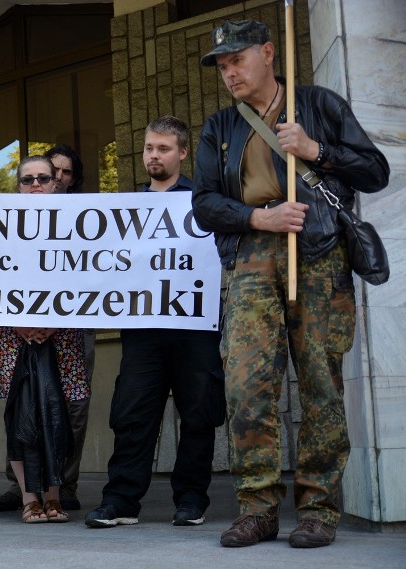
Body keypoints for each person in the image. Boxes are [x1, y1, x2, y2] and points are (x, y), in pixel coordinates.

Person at [193, 20, 389, 548]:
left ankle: (318, 509)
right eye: (222, 65)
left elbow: (375, 171)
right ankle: (257, 506)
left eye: (237, 60)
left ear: (268, 53)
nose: (229, 72)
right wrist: (259, 219)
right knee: (247, 386)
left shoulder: (319, 105)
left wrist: (316, 149)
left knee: (321, 385)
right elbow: (204, 204)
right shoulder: (219, 127)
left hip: (320, 255)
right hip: (251, 256)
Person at [85, 116, 225, 530]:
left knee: (199, 414)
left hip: (196, 329)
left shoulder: (205, 201)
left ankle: (191, 500)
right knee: (132, 414)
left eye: (163, 149)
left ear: (182, 153)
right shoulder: (126, 207)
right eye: (149, 148)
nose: (153, 156)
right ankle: (121, 501)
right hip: (143, 332)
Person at [0, 144, 90, 513]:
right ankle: (30, 499)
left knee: (59, 412)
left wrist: (56, 320)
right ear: (17, 186)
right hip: (10, 331)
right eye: (26, 180)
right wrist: (17, 319)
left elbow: (93, 275)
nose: (35, 186)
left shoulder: (81, 221)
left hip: (63, 332)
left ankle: (54, 496)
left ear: (56, 184)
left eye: (42, 179)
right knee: (20, 413)